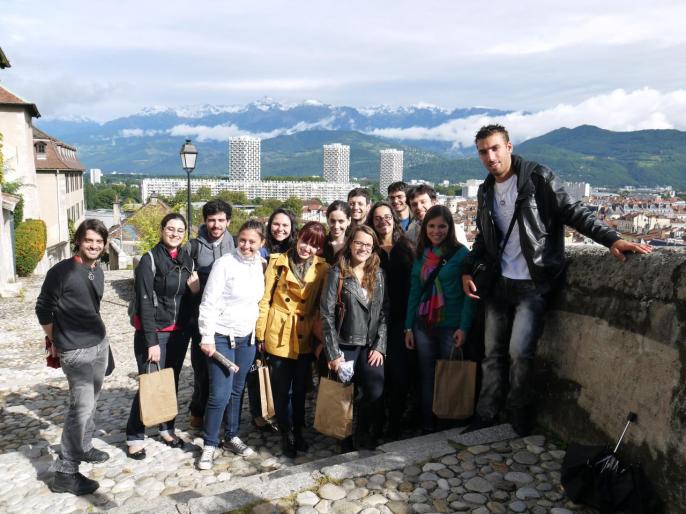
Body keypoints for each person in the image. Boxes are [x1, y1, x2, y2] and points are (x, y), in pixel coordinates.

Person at [462, 124, 652, 436]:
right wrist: (468, 269)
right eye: (483, 151)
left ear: (509, 147)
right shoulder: (485, 190)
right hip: (499, 284)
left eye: (495, 148)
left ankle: (518, 415)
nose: (490, 156)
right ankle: (485, 414)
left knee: (520, 353)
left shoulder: (538, 178)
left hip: (533, 282)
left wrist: (612, 240)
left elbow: (575, 212)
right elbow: (485, 238)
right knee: (492, 355)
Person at [35, 219, 111, 495]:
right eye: (89, 240)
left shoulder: (96, 270)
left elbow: (92, 308)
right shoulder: (62, 271)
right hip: (75, 350)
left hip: (99, 344)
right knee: (80, 408)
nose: (94, 245)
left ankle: (85, 446)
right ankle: (66, 472)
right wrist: (54, 339)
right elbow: (43, 308)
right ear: (79, 240)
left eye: (99, 242)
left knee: (92, 403)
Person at [126, 213, 200, 459]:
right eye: (171, 229)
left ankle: (166, 428)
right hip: (155, 333)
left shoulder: (187, 259)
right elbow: (145, 302)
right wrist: (151, 341)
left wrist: (194, 291)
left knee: (170, 383)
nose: (175, 234)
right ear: (161, 230)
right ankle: (135, 435)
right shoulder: (149, 260)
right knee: (149, 385)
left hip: (179, 333)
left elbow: (188, 299)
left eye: (180, 230)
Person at [196, 219, 266, 469]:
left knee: (237, 392)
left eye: (252, 241)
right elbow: (208, 302)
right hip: (222, 337)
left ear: (262, 243)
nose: (246, 245)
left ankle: (232, 436)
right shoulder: (224, 263)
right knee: (219, 394)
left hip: (246, 339)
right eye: (243, 240)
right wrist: (207, 337)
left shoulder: (260, 264)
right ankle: (210, 443)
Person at [256, 222, 329, 458]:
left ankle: (298, 429)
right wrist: (260, 334)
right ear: (298, 238)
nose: (307, 248)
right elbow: (265, 300)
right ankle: (286, 431)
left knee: (299, 388)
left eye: (314, 245)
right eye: (305, 241)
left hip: (304, 332)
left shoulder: (323, 269)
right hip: (278, 331)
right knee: (280, 388)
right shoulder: (277, 262)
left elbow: (321, 304)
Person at [404, 205, 475, 433]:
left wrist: (464, 327)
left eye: (442, 226)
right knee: (426, 376)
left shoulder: (461, 254)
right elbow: (414, 290)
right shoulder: (421, 254)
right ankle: (428, 424)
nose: (436, 231)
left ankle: (446, 422)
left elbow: (469, 296)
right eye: (432, 226)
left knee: (448, 375)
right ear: (425, 228)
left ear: (450, 228)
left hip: (450, 324)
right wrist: (408, 327)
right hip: (423, 325)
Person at [320, 225, 388, 450]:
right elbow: (326, 313)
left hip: (370, 346)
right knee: (343, 393)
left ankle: (362, 431)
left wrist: (380, 345)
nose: (363, 248)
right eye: (359, 242)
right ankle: (345, 436)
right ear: (350, 243)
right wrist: (332, 352)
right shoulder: (337, 272)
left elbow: (384, 311)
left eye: (368, 244)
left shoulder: (378, 273)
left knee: (374, 390)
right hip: (344, 344)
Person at [366, 201, 415, 440]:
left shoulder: (407, 247)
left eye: (387, 216)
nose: (383, 221)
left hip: (401, 321)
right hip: (372, 322)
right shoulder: (368, 248)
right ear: (371, 222)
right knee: (376, 377)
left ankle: (394, 423)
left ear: (394, 219)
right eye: (377, 218)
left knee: (399, 375)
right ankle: (376, 424)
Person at [186, 200, 235, 429]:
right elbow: (183, 278)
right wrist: (193, 292)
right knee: (201, 367)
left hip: (227, 316)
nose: (216, 225)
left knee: (223, 366)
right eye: (212, 220)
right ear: (205, 221)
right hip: (200, 314)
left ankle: (222, 413)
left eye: (221, 220)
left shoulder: (234, 243)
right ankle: (198, 408)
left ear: (228, 221)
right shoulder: (193, 246)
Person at [322, 200, 352, 265]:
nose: (336, 226)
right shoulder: (320, 243)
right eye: (333, 221)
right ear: (327, 220)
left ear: (349, 221)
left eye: (341, 221)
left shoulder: (353, 245)